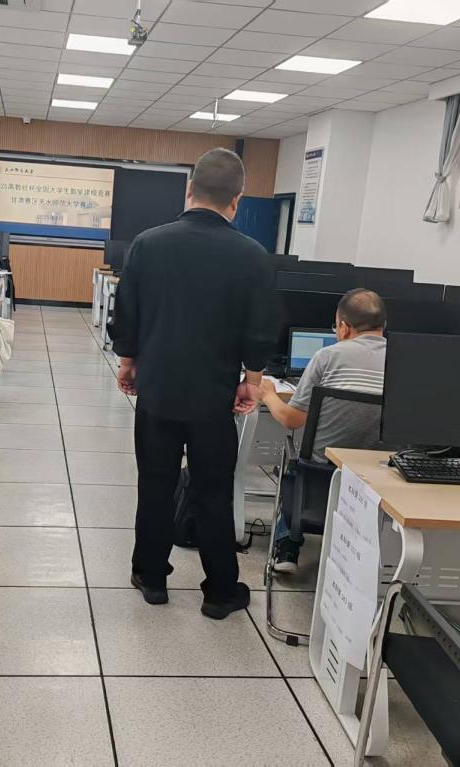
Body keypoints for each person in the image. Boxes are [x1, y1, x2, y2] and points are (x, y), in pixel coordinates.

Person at [111, 148, 275, 620]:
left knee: (155, 486)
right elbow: (259, 329)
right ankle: (220, 592)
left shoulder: (148, 244)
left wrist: (128, 362)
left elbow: (128, 313)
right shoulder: (252, 255)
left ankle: (151, 577)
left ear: (189, 190)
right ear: (236, 200)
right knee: (213, 493)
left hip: (158, 391)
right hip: (213, 397)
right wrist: (252, 380)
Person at [260, 288, 387, 573]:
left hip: (320, 476)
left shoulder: (327, 356)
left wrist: (267, 394)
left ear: (343, 327)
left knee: (292, 459)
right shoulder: (403, 362)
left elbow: (292, 419)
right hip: (378, 479)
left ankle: (288, 545)